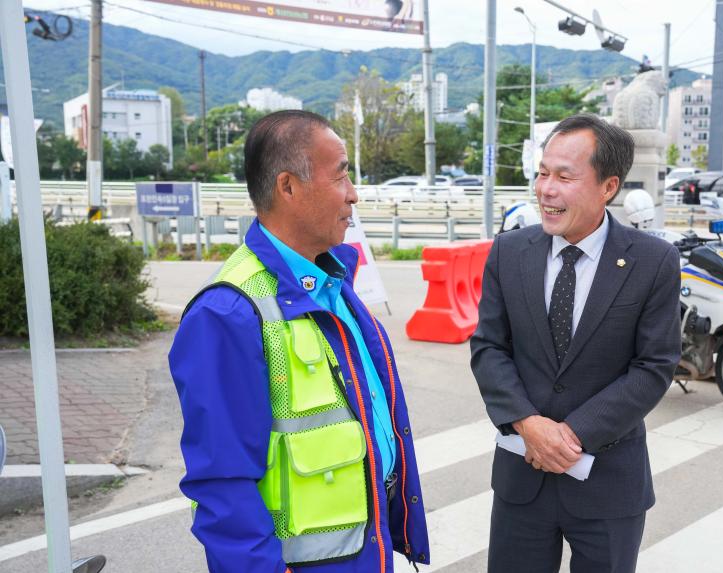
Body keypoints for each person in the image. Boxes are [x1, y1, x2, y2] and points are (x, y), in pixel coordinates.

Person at [169, 110, 429, 573]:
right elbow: (222, 487)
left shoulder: (332, 281)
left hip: (367, 554)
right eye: (342, 174)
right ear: (287, 187)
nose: (353, 194)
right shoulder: (228, 313)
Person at [471, 113, 681, 573]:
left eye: (565, 177)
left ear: (608, 186)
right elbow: (489, 347)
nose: (547, 189)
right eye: (543, 173)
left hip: (609, 485)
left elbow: (654, 366)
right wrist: (529, 425)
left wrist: (570, 436)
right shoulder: (509, 251)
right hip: (522, 478)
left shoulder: (653, 261)